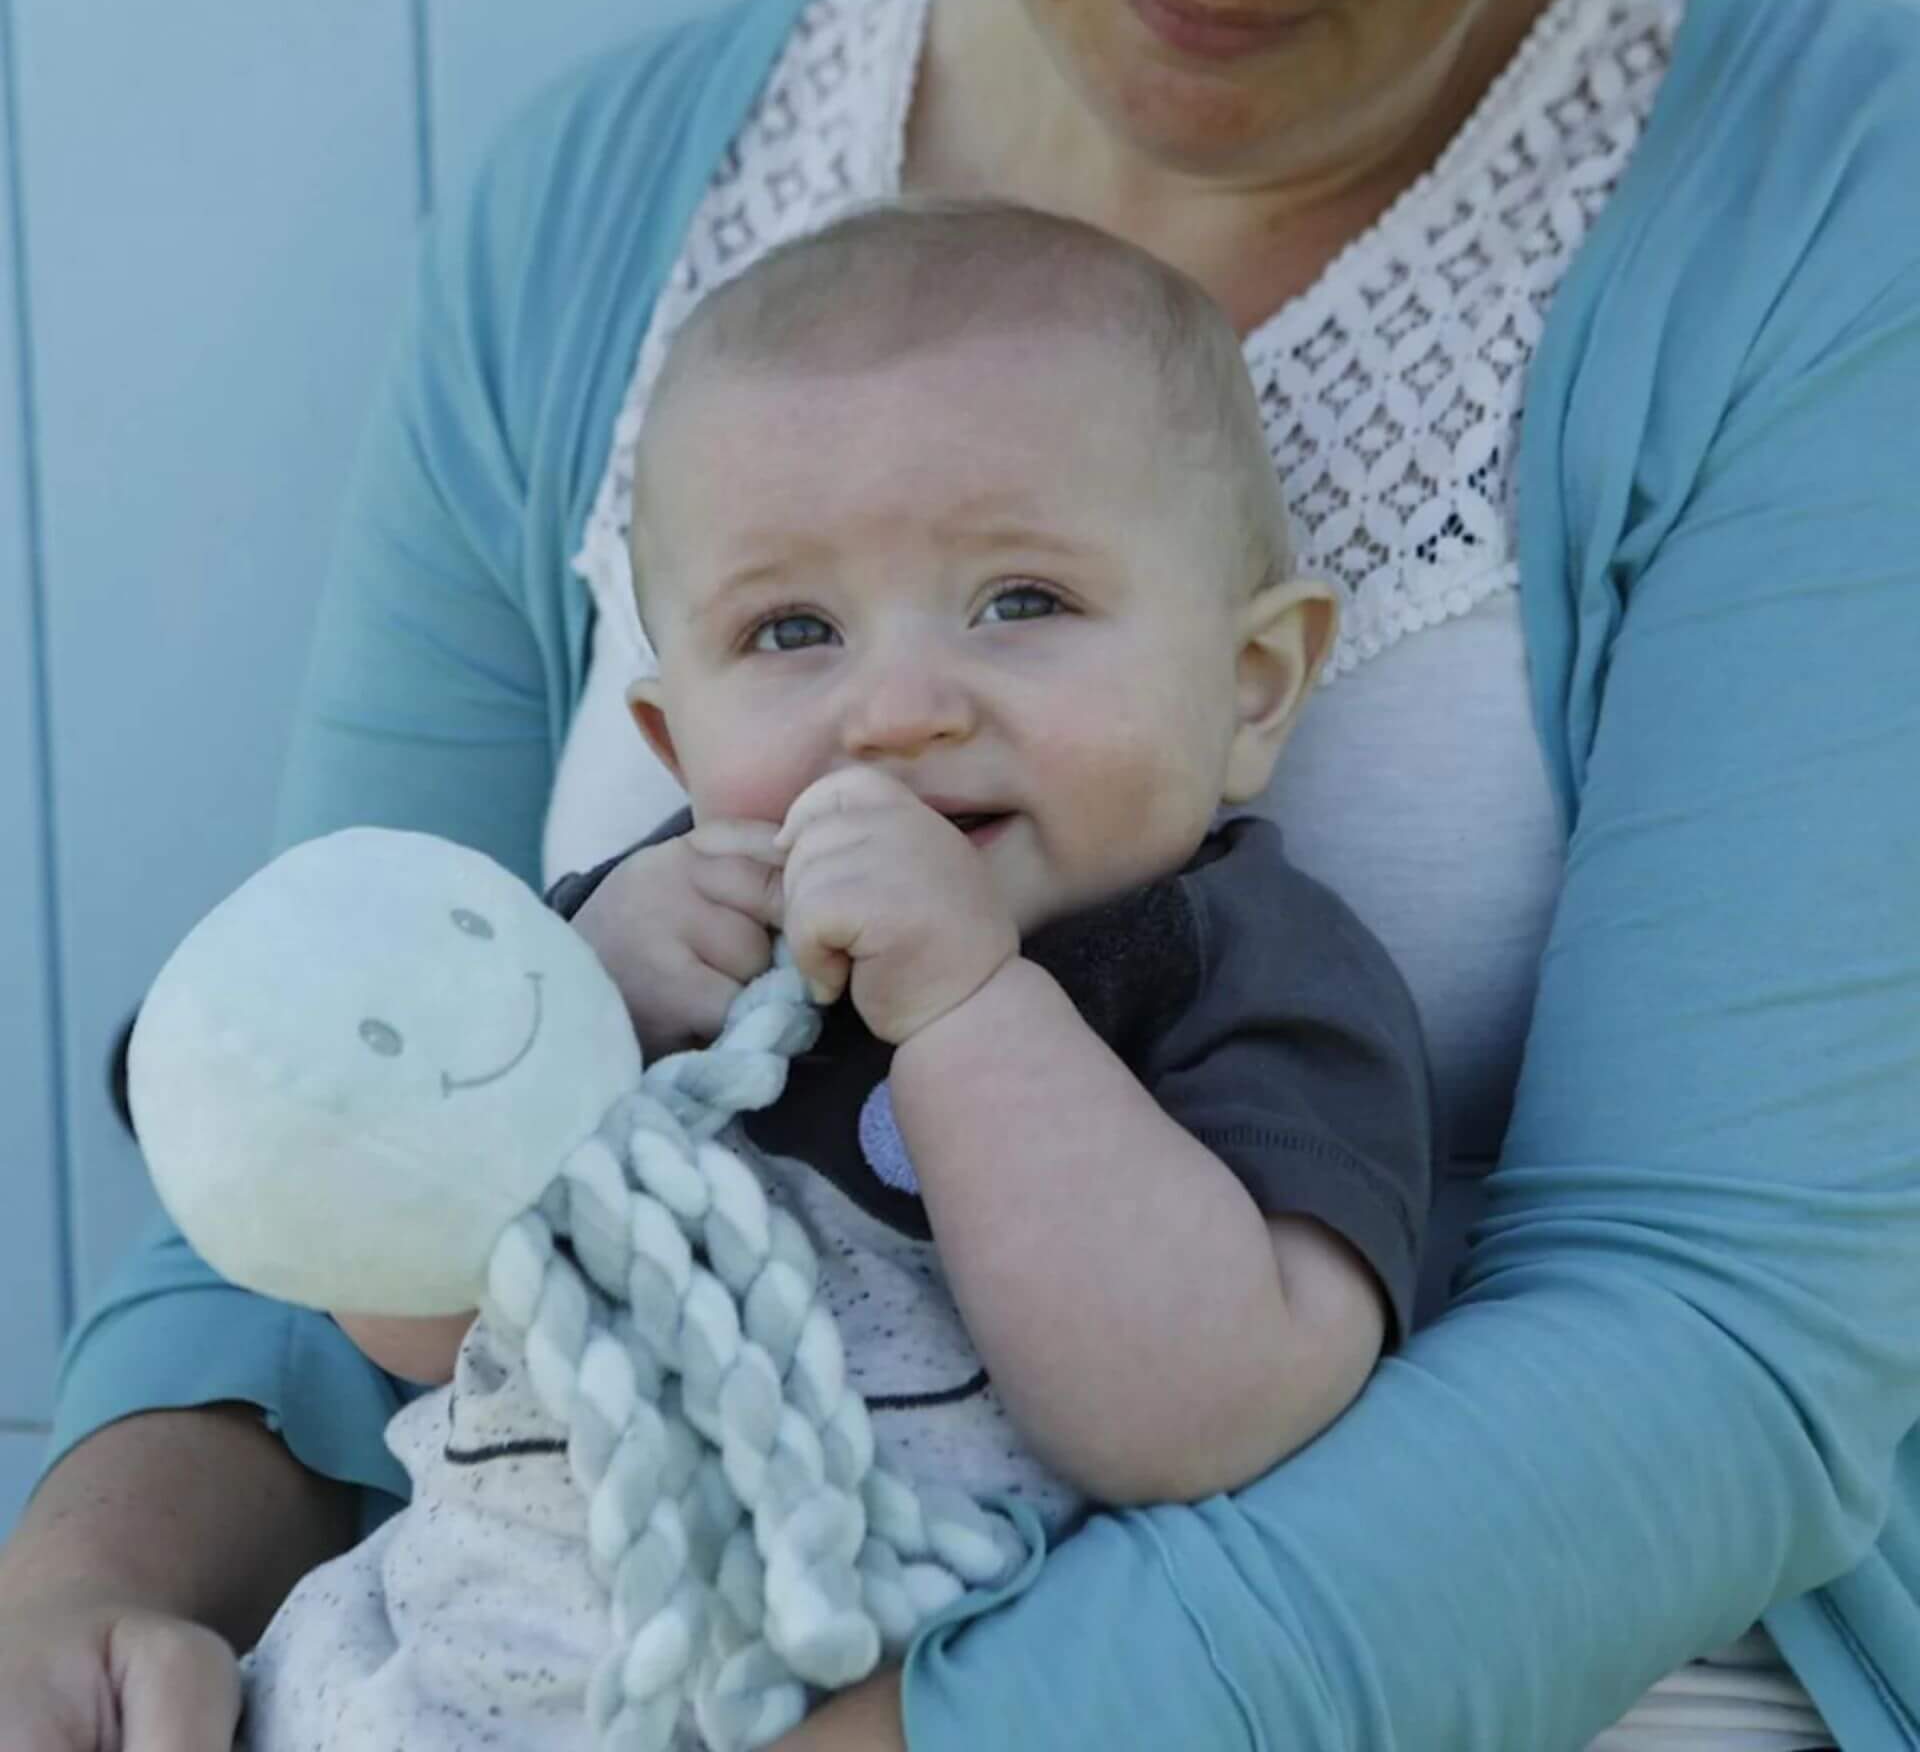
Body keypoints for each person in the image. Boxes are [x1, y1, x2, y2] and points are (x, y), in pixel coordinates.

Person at [3, 0, 1915, 1747]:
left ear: (1264, 682)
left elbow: (1715, 1343)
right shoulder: (591, 217)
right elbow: (334, 1128)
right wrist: (91, 1592)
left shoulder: (1836, 218)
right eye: (788, 636)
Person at [232, 198, 1433, 1750]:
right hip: (443, 1670)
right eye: (793, 629)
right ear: (675, 739)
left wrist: (969, 1011)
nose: (899, 710)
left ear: (1252, 687)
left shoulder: (1233, 968)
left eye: (1023, 602)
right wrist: (565, 1036)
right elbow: (399, 1324)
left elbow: (1205, 1415)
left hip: (905, 1690)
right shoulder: (625, 942)